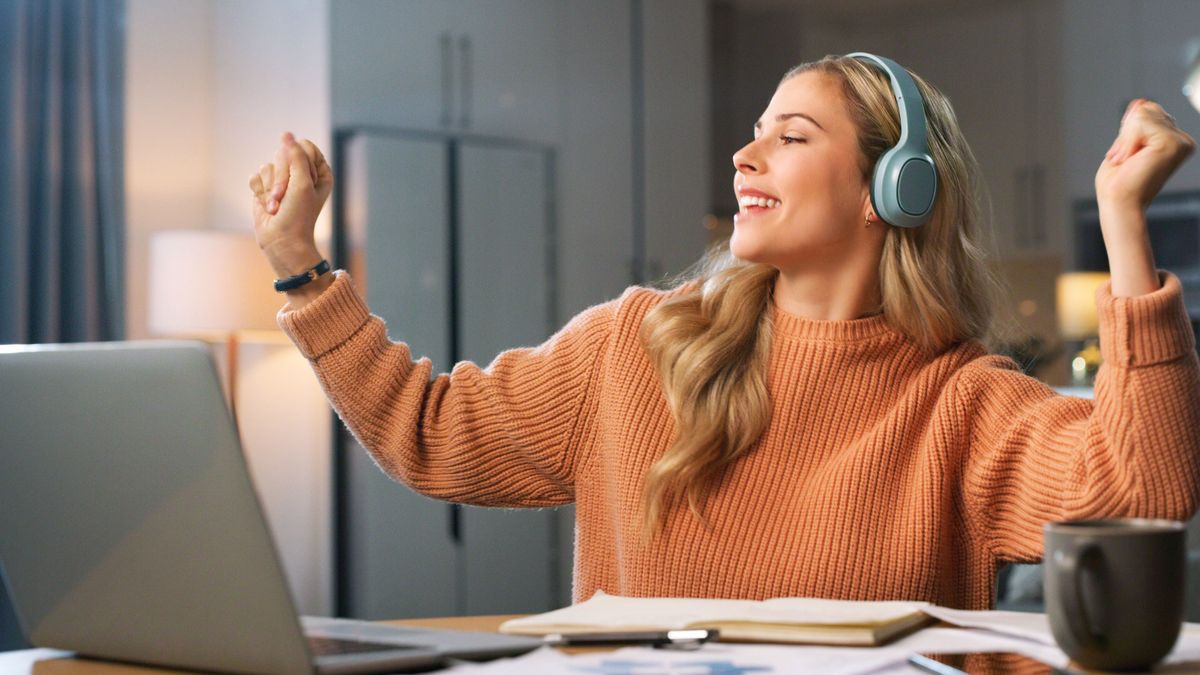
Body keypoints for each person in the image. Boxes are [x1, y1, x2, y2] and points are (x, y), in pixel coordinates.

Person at [247, 54, 1199, 610]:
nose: (744, 154)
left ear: (891, 190)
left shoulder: (964, 404)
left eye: (791, 136)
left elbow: (1144, 491)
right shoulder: (634, 345)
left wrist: (1122, 220)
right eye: (754, 131)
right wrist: (303, 266)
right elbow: (430, 431)